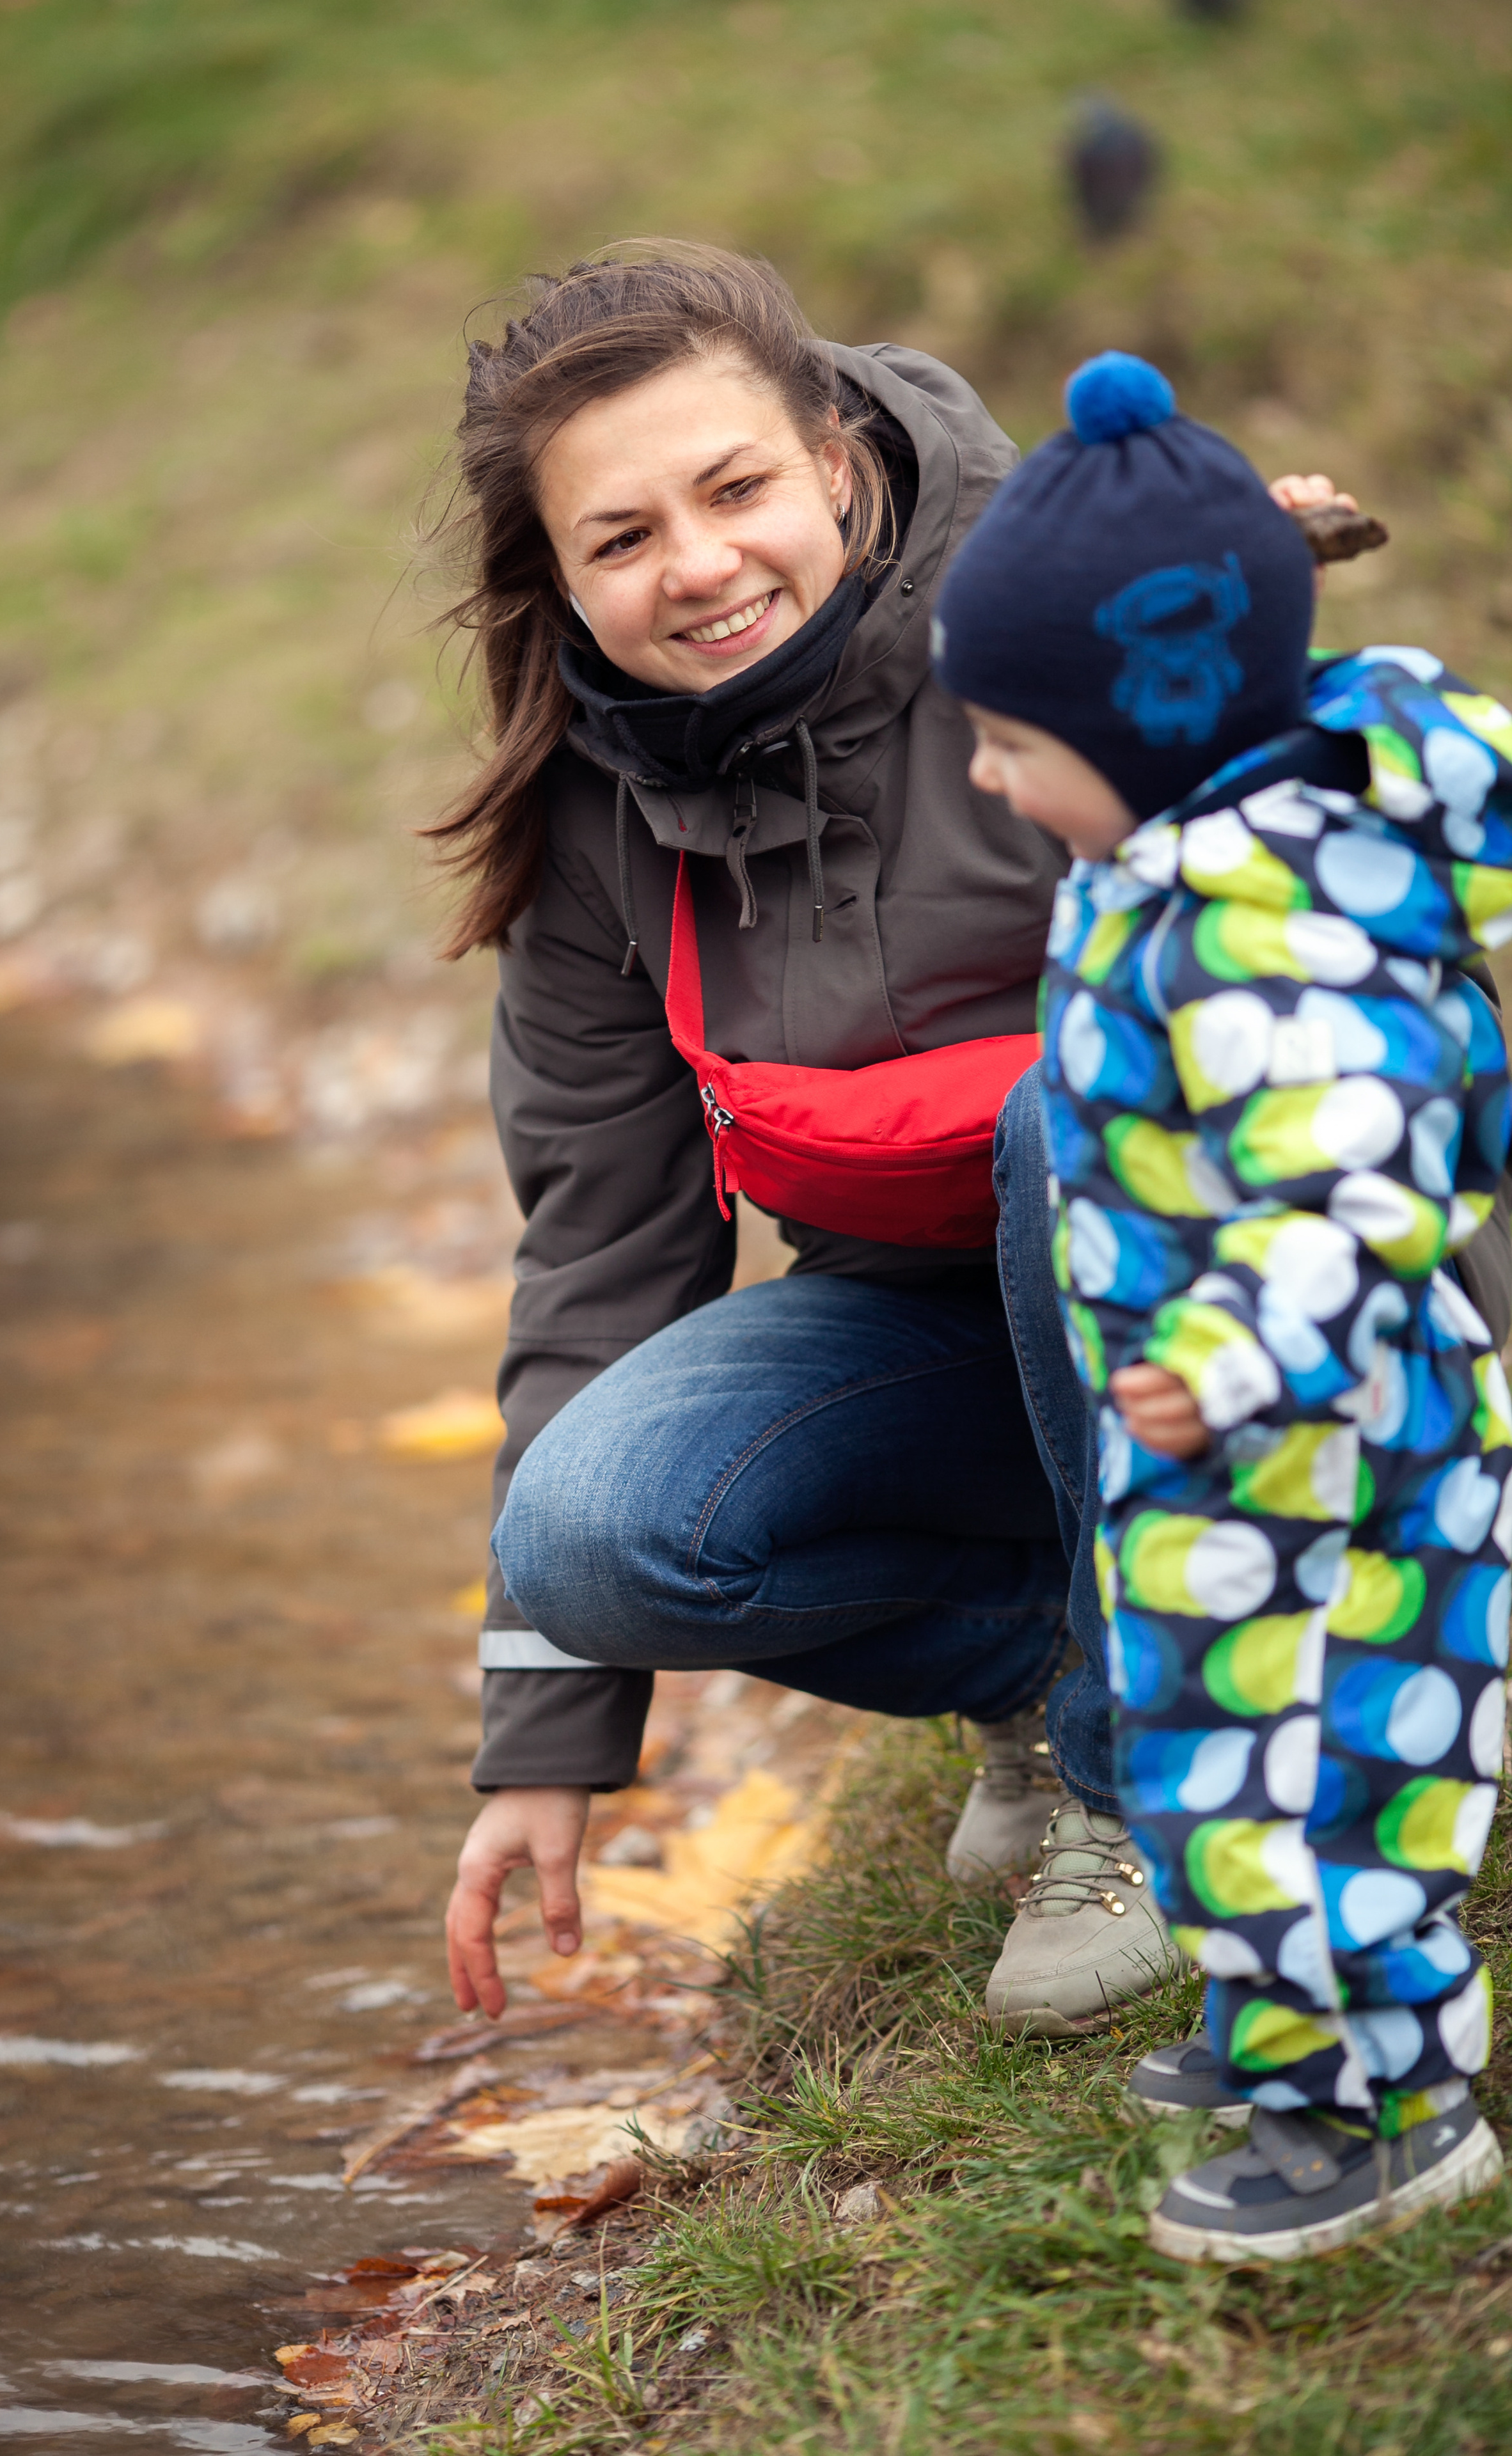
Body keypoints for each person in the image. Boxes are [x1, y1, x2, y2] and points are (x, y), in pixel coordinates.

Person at [430, 244, 1176, 2036]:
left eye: (738, 487)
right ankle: (1059, 1669)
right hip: (941, 1348)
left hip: (1234, 1314)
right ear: (558, 576)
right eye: (621, 538)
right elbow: (602, 1254)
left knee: (1082, 1098)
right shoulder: (597, 821)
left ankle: (1158, 1779)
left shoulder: (1082, 626)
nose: (698, 566)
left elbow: (1326, 1047)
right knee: (592, 1531)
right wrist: (544, 1743)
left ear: (834, 456)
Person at [931, 348, 1511, 2260]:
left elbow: (1354, 1174)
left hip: (1325, 1440)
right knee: (1208, 1750)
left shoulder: (1269, 921)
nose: (989, 779)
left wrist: (1235, 1356)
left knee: (1333, 1772)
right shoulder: (1174, 841)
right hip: (1218, 1430)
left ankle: (1393, 2114)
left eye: (1013, 742)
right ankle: (1282, 2041)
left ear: (1157, 709)